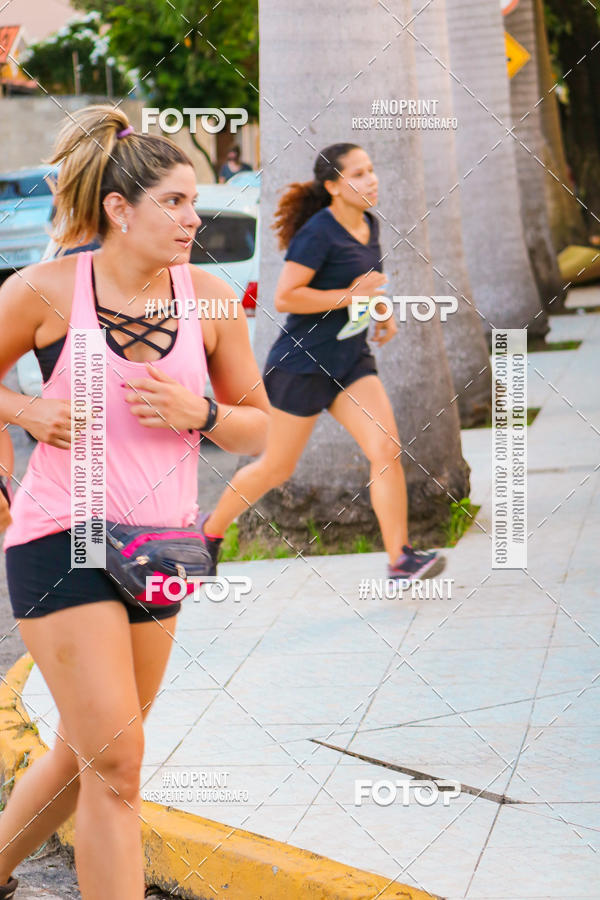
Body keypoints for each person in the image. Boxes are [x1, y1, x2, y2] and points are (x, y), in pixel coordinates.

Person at [0, 106, 269, 899]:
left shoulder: (212, 300)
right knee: (117, 762)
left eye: (195, 201)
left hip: (162, 550)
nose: (193, 218)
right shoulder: (44, 292)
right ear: (120, 209)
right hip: (60, 537)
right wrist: (27, 412)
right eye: (175, 202)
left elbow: (259, 429)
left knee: (91, 751)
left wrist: (206, 416)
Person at [200, 143, 446, 584]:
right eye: (358, 173)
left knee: (386, 449)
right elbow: (286, 297)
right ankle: (210, 532)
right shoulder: (318, 232)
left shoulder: (368, 225)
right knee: (277, 468)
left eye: (372, 170)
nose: (371, 180)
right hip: (303, 365)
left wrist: (382, 315)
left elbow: (366, 285)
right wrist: (349, 297)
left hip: (351, 361)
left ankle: (400, 558)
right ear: (333, 186)